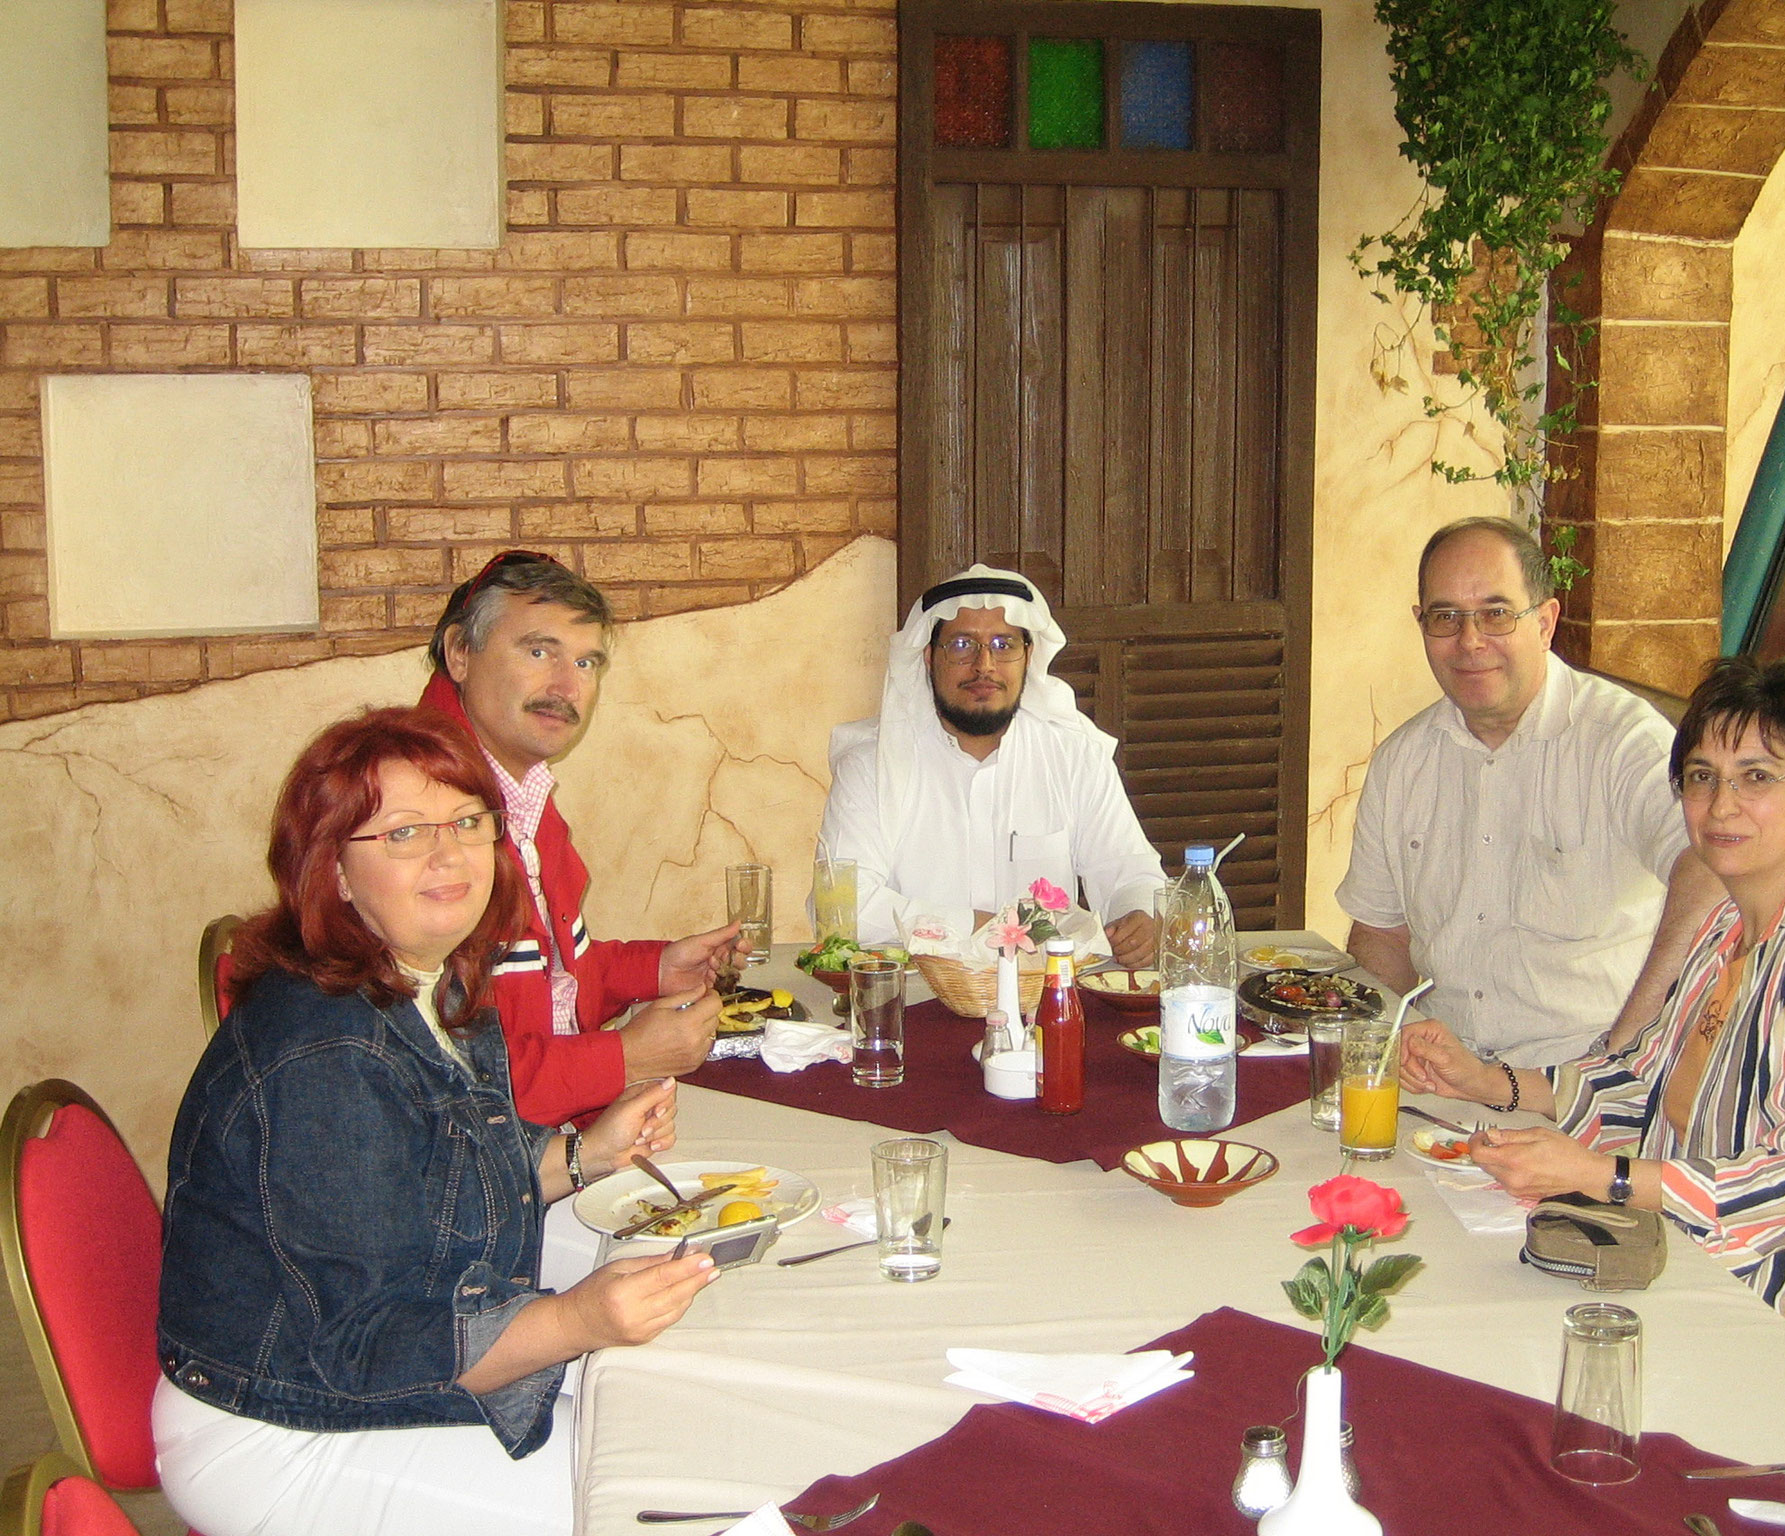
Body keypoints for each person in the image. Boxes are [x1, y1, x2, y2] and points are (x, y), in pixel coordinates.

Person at [155, 708, 719, 1535]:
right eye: (403, 834)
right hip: (282, 1426)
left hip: (365, 1362)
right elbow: (365, 1340)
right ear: (335, 873)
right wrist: (577, 1320)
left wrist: (583, 1154)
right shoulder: (326, 1051)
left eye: (465, 820)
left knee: (671, 1398)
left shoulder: (436, 980)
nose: (449, 852)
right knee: (658, 1503)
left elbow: (436, 1185)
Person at [1402, 656, 1785, 1413]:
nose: (1721, 804)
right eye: (1701, 777)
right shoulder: (1732, 923)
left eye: (1757, 777)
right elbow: (1640, 1082)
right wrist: (1488, 1081)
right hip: (1704, 1275)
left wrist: (1597, 1175)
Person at [1336, 516, 1722, 1067]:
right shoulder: (1402, 762)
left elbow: (1708, 869)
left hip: (1584, 1084)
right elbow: (1382, 936)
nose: (1470, 641)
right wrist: (1371, 1062)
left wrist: (1625, 1048)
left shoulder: (1624, 742)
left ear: (1545, 622)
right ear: (1421, 625)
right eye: (1446, 617)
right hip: (1450, 1077)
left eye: (1496, 614)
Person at [420, 550, 742, 1125]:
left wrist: (658, 968)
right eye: (539, 651)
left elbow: (554, 986)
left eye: (588, 663)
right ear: (460, 653)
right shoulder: (422, 821)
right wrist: (627, 1057)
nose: (567, 686)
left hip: (556, 1139)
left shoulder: (517, 791)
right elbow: (448, 1085)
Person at [819, 564, 1167, 967]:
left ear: (1028, 658)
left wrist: (1140, 916)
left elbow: (1129, 870)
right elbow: (840, 910)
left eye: (1004, 645)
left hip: (1044, 1002)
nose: (985, 664)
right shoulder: (870, 766)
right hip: (912, 1003)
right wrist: (980, 928)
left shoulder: (1074, 756)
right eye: (963, 645)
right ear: (929, 658)